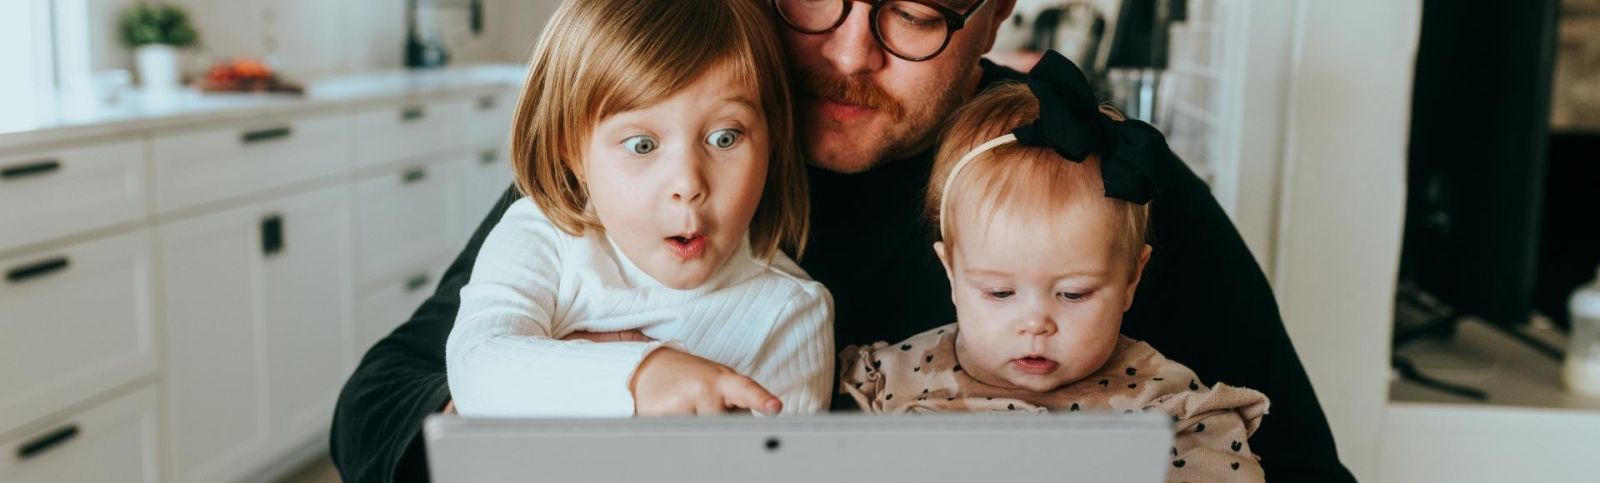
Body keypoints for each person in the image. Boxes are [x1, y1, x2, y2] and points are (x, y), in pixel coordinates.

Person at [332, 0, 1355, 481]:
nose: (851, 51)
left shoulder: (1084, 178)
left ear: (995, 13)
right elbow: (378, 410)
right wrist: (561, 402)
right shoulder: (643, 161)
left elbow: (1300, 468)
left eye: (915, 13)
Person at [837, 58, 1268, 483]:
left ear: (1131, 280)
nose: (1035, 324)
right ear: (951, 272)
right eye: (1000, 293)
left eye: (1074, 294)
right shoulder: (894, 378)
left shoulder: (1167, 412)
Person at [444, 0, 832, 419]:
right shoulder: (542, 237)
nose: (688, 184)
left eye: (724, 138)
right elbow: (475, 365)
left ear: (771, 141)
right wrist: (642, 375)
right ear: (571, 150)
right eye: (641, 145)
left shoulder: (791, 313)